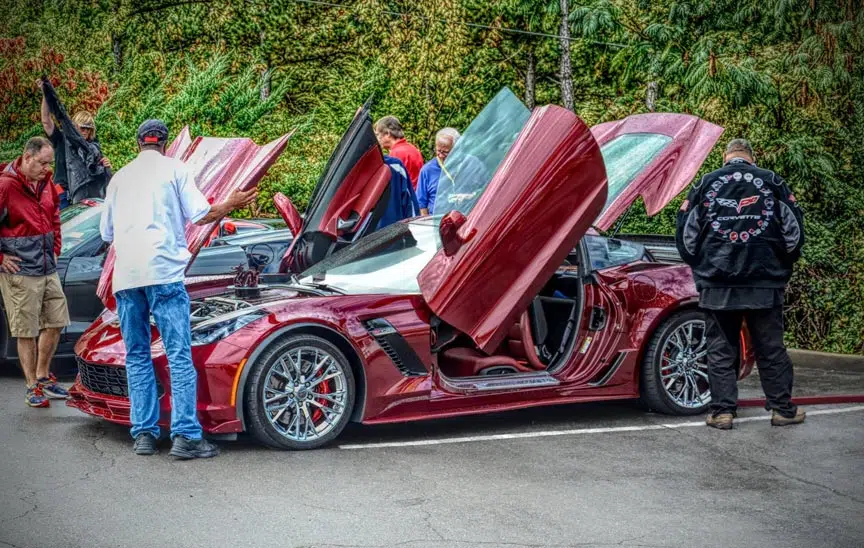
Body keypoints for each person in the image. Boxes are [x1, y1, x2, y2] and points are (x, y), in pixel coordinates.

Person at [100, 119, 257, 459]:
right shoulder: (176, 169)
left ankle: (143, 434)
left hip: (127, 278)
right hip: (165, 274)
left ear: (138, 143)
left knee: (137, 356)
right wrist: (231, 203)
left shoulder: (119, 178)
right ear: (166, 143)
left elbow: (107, 234)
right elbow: (201, 215)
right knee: (178, 355)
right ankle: (186, 437)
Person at [676, 138, 806, 430]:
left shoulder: (705, 184)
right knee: (770, 348)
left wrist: (702, 265)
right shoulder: (772, 182)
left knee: (721, 348)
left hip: (718, 283)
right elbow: (794, 234)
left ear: (726, 157)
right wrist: (780, 264)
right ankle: (783, 411)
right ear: (751, 157)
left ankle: (723, 412)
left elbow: (686, 236)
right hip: (764, 282)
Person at [0, 137, 71, 408]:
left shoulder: (46, 184)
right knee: (26, 330)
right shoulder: (6, 186)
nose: (46, 168)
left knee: (56, 320)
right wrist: (1, 258)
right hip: (20, 272)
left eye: (49, 163)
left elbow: (55, 216)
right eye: (42, 163)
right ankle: (31, 386)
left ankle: (43, 376)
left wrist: (55, 247)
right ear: (26, 157)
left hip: (46, 267)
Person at [38, 79, 112, 209]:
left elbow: (98, 174)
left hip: (86, 195)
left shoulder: (93, 148)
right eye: (80, 128)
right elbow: (46, 121)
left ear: (91, 130)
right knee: (64, 227)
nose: (83, 131)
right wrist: (46, 94)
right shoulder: (62, 138)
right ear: (74, 127)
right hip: (63, 193)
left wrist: (106, 165)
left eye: (87, 128)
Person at [417, 128, 460, 216]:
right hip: (438, 223)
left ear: (456, 149)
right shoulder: (427, 170)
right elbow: (422, 205)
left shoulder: (472, 164)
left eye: (445, 152)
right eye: (438, 150)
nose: (440, 155)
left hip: (468, 222)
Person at [374, 116, 424, 189]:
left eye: (378, 135)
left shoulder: (396, 154)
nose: (377, 139)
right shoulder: (412, 148)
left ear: (387, 134)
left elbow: (394, 185)